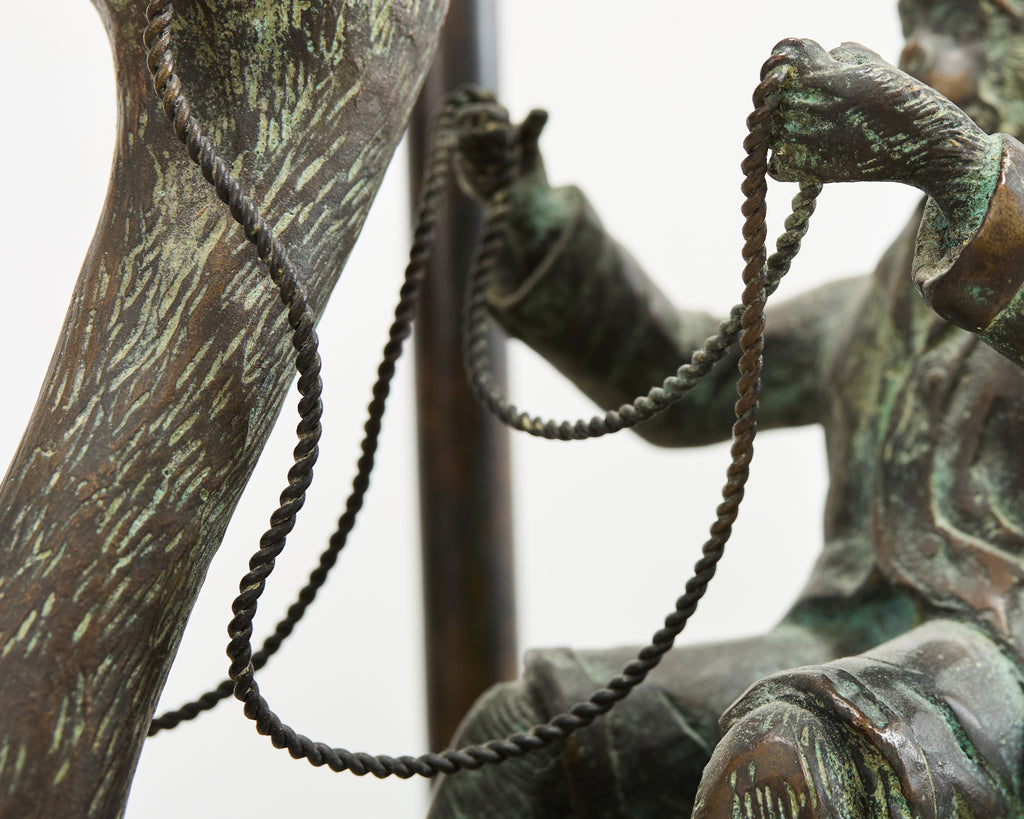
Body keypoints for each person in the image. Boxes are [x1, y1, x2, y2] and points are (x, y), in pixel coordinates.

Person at [428, 1, 1024, 815]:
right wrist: (530, 215)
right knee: (521, 739)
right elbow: (684, 381)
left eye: (960, 27)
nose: (917, 48)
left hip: (1001, 656)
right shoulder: (862, 315)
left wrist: (953, 158)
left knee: (791, 755)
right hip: (840, 642)